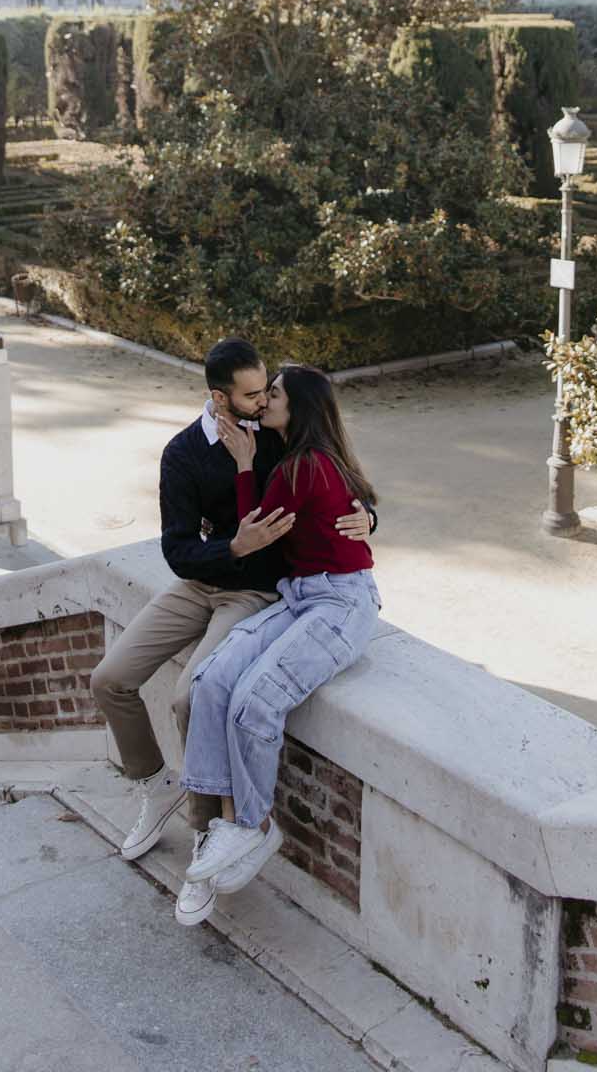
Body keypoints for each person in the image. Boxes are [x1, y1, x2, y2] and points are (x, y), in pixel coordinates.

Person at [88, 338, 374, 920]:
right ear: (219, 398)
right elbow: (177, 550)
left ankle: (205, 832)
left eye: (268, 390)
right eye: (251, 394)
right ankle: (156, 787)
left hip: (256, 593)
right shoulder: (183, 453)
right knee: (109, 679)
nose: (262, 401)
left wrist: (368, 516)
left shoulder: (275, 436)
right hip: (201, 583)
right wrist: (231, 548)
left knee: (193, 694)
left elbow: (337, 475)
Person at [175, 364, 381, 915]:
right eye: (263, 392)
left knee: (254, 700)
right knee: (210, 680)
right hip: (300, 596)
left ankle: (255, 824)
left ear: (299, 408)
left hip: (340, 603)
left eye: (275, 394)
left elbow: (256, 533)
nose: (265, 400)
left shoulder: (303, 465)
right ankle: (225, 824)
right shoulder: (303, 456)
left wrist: (245, 466)